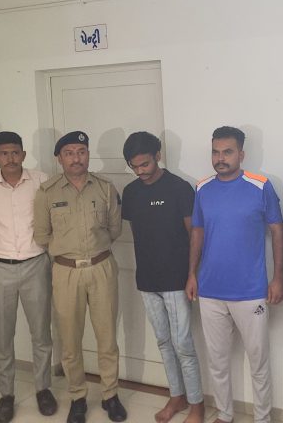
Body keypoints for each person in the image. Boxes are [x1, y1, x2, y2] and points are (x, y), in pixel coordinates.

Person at [185, 126, 283, 423]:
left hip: (250, 291)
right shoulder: (203, 188)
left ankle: (262, 418)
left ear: (241, 154)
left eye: (227, 152)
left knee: (258, 361)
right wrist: (192, 274)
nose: (220, 158)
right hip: (210, 290)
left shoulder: (261, 185)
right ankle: (225, 414)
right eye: (215, 152)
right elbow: (197, 232)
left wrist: (277, 278)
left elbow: (277, 231)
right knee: (217, 361)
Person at [33, 131, 126, 423]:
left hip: (101, 267)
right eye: (70, 153)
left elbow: (115, 229)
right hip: (65, 272)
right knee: (70, 339)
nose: (77, 158)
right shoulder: (47, 192)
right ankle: (78, 397)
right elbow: (41, 235)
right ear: (59, 158)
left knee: (107, 337)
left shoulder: (105, 188)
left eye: (81, 151)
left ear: (87, 154)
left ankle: (110, 394)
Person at [120, 132, 205, 423]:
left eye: (145, 164)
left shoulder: (179, 188)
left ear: (158, 156)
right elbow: (138, 233)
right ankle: (176, 396)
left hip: (176, 280)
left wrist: (192, 274)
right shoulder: (131, 192)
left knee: (183, 345)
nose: (140, 171)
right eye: (134, 166)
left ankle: (197, 405)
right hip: (147, 280)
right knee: (163, 342)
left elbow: (194, 234)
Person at [0, 131, 57, 423]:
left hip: (36, 265)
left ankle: (43, 389)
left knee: (41, 333)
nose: (10, 158)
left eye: (15, 152)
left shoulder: (42, 180)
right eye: (3, 153)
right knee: (2, 336)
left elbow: (52, 220)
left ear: (23, 154)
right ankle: (6, 394)